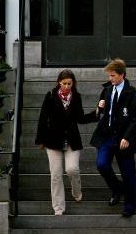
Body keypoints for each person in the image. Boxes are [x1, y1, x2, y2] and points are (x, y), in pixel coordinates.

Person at [35, 69, 95, 215]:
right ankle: (58, 207)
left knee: (72, 169)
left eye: (69, 83)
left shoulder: (76, 97)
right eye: (64, 83)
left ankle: (76, 191)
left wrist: (97, 113)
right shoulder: (50, 96)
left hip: (72, 139)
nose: (67, 86)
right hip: (52, 140)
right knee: (56, 174)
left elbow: (80, 118)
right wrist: (41, 140)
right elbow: (43, 118)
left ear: (73, 83)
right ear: (59, 83)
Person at [90, 59, 136, 217]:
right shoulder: (107, 90)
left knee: (128, 173)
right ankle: (117, 189)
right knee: (102, 165)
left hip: (123, 139)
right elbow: (101, 113)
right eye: (109, 75)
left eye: (113, 75)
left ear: (122, 75)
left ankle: (130, 205)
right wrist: (99, 108)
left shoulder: (134, 94)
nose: (110, 79)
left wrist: (127, 137)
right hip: (107, 136)